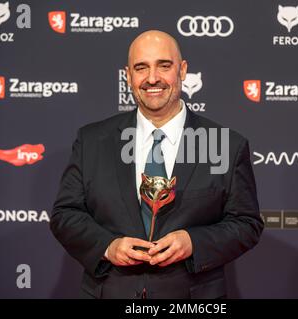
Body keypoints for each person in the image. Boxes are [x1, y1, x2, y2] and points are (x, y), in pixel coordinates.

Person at [50, 30, 264, 299]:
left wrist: (193, 242)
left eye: (164, 65)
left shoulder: (225, 144)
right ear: (128, 76)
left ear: (182, 70)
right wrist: (108, 246)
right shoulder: (92, 140)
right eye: (141, 68)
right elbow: (65, 215)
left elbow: (246, 223)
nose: (152, 78)